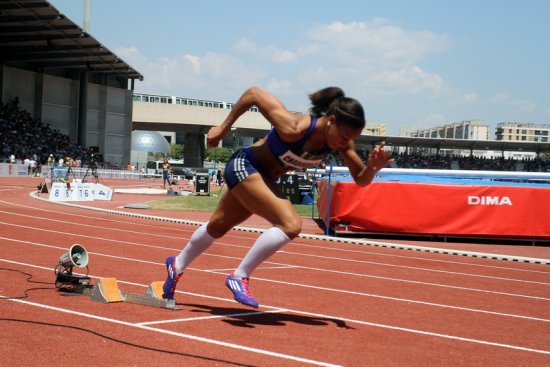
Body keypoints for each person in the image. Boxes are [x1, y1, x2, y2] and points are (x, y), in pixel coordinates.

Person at [162, 86, 393, 308]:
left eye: (350, 139)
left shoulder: (340, 142)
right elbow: (253, 94)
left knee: (218, 226)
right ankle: (239, 276)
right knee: (291, 224)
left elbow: (361, 179)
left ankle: (177, 264)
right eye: (344, 138)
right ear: (331, 120)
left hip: (265, 179)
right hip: (245, 165)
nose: (345, 144)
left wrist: (373, 168)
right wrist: (223, 128)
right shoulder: (294, 127)